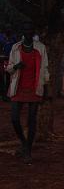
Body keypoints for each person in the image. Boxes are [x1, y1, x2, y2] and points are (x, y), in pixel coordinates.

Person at [6, 22, 49, 164]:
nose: (28, 32)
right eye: (26, 30)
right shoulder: (16, 47)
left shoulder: (40, 48)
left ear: (33, 31)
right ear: (23, 32)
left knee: (31, 120)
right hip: (18, 87)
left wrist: (45, 90)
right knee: (14, 118)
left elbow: (45, 70)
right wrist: (17, 66)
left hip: (35, 88)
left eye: (30, 30)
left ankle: (28, 150)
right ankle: (24, 143)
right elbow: (9, 67)